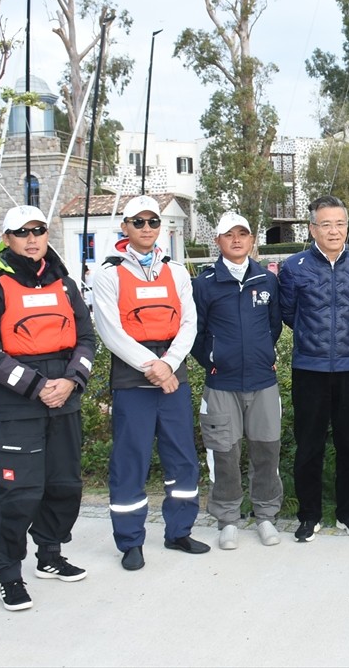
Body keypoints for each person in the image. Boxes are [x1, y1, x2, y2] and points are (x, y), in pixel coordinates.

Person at [0, 206, 95, 610]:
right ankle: (8, 572)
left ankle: (50, 555)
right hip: (18, 402)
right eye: (21, 232)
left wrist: (71, 380)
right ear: (7, 239)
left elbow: (87, 339)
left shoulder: (66, 285)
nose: (32, 238)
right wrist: (38, 387)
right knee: (19, 492)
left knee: (64, 485)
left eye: (38, 230)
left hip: (64, 396)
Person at [92, 195, 209, 569]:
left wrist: (170, 364)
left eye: (153, 222)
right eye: (138, 222)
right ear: (124, 227)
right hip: (133, 377)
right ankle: (130, 542)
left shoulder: (175, 272)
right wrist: (153, 366)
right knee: (131, 460)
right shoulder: (108, 274)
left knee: (182, 458)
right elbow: (111, 331)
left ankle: (179, 531)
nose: (146, 229)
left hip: (173, 375)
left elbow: (189, 321)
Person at [278, 195, 349, 542]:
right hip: (310, 369)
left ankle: (348, 512)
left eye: (340, 224)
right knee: (309, 446)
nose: (334, 231)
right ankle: (309, 515)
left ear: (347, 227)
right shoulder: (294, 267)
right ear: (312, 229)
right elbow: (288, 313)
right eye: (326, 224)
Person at [190, 212, 284, 550]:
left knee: (267, 451)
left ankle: (265, 515)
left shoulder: (267, 280)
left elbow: (274, 327)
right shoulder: (204, 283)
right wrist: (215, 361)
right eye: (229, 235)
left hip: (262, 382)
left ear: (251, 239)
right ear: (218, 241)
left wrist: (262, 356)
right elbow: (195, 334)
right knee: (224, 454)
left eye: (242, 233)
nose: (236, 240)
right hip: (221, 385)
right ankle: (228, 518)